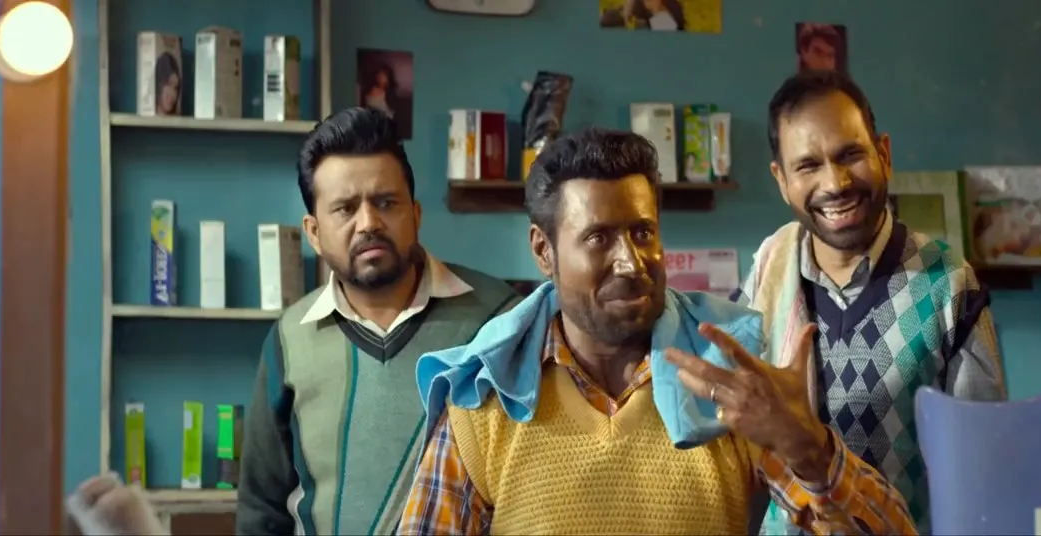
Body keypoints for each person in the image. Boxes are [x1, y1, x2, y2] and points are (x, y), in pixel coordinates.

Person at [396, 128, 916, 535]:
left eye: (643, 232)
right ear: (543, 251)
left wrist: (811, 450)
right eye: (598, 238)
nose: (630, 262)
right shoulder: (486, 396)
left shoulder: (727, 377)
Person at [738, 70, 1007, 534]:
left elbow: (985, 468)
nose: (835, 183)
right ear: (781, 179)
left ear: (884, 154)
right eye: (808, 166)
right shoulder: (768, 269)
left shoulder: (947, 284)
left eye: (850, 155)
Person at [236, 108, 520, 535]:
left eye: (386, 203)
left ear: (416, 214)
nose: (368, 223)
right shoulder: (290, 339)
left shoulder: (500, 319)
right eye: (345, 209)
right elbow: (261, 509)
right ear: (313, 232)